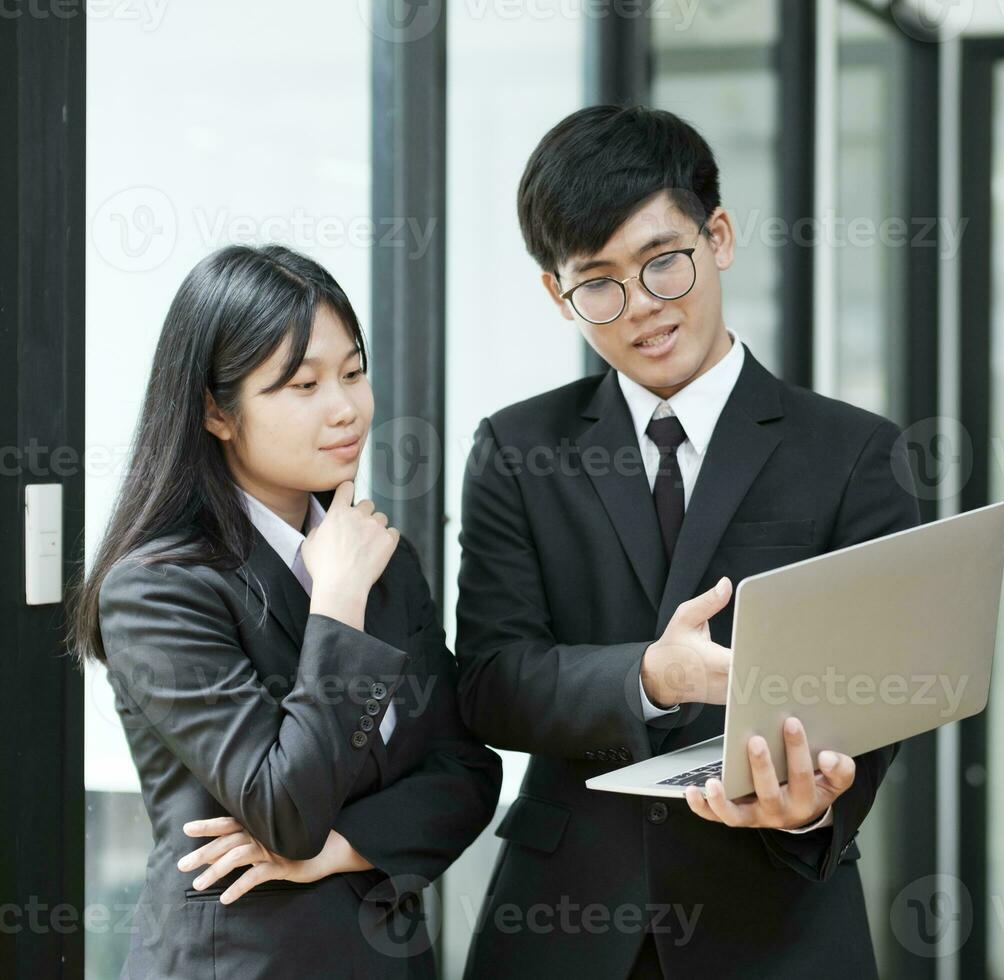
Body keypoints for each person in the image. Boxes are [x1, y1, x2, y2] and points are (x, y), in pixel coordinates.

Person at [456, 105, 920, 979]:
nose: (641, 310)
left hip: (776, 917)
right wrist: (646, 677)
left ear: (719, 236)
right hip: (564, 924)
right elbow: (488, 683)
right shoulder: (518, 450)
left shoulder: (854, 452)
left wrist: (812, 807)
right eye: (598, 284)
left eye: (663, 263)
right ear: (558, 294)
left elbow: (885, 686)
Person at [70, 244, 501, 979]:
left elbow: (465, 773)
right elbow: (287, 810)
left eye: (354, 373)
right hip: (244, 963)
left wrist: (345, 848)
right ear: (216, 411)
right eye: (302, 384)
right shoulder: (158, 588)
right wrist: (337, 603)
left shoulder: (377, 555)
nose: (346, 408)